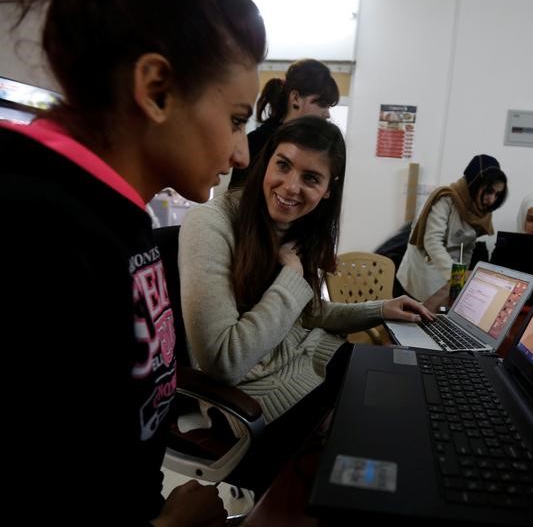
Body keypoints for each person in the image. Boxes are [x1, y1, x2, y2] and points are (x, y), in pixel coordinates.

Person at [1, 0, 266, 525]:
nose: (242, 154)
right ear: (157, 90)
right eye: (237, 120)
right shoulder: (34, 234)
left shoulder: (120, 221)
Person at [178, 116, 432, 490]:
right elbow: (223, 360)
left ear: (329, 189)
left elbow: (309, 315)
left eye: (311, 178)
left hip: (315, 368)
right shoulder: (211, 224)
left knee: (415, 405)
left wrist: (380, 309)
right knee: (373, 475)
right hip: (257, 404)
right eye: (283, 165)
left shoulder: (298, 231)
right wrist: (292, 278)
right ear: (267, 162)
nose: (291, 186)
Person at [396, 154, 508, 301]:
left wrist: (460, 280)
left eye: (497, 194)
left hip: (448, 274)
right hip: (424, 271)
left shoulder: (479, 211)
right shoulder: (445, 199)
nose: (492, 199)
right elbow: (432, 242)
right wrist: (455, 277)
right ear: (474, 184)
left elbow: (466, 249)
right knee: (422, 316)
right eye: (488, 191)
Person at [227, 58, 339, 189]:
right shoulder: (257, 142)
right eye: (322, 104)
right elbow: (235, 199)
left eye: (328, 107)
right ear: (296, 98)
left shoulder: (315, 145)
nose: (327, 114)